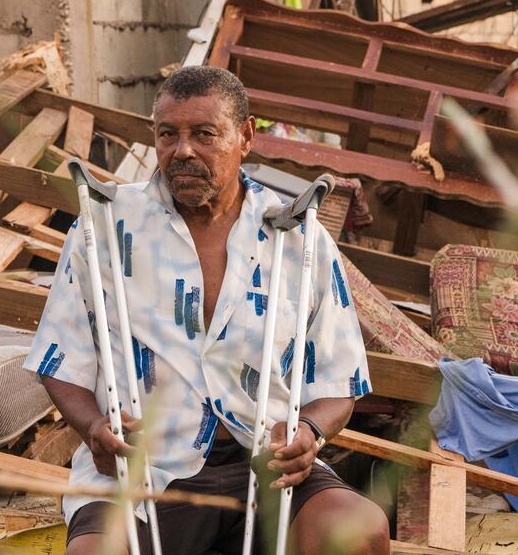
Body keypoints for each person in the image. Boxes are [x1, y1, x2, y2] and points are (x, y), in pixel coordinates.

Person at [23, 66, 390, 555]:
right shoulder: (105, 228)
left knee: (358, 530)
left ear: (246, 137)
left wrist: (310, 432)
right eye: (167, 134)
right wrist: (93, 427)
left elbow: (339, 378)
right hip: (146, 467)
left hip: (264, 465)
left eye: (204, 134)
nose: (183, 151)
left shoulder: (297, 236)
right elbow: (59, 357)